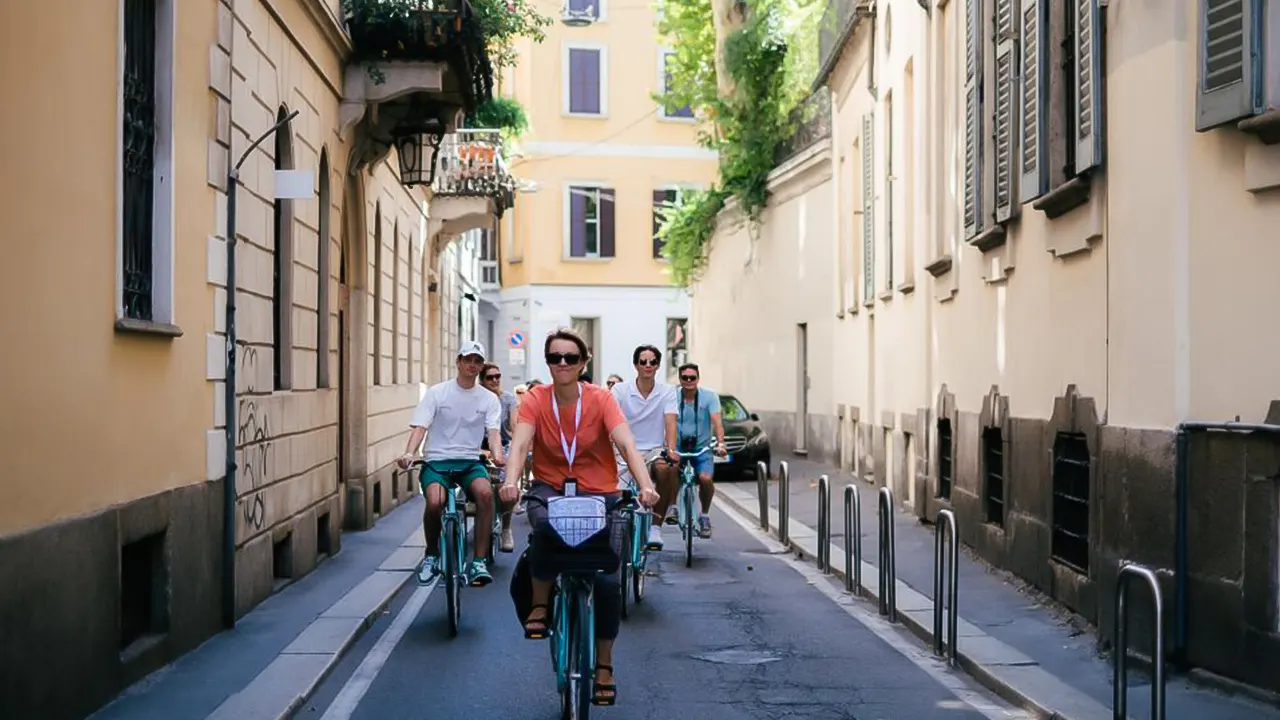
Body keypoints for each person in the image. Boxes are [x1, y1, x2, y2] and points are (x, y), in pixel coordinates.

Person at [500, 328, 660, 707]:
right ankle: (540, 604)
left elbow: (626, 443)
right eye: (555, 358)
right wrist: (510, 482)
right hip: (551, 488)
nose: (563, 364)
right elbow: (521, 443)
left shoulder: (601, 399)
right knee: (542, 528)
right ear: (548, 362)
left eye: (571, 358)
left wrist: (645, 484)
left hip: (598, 492)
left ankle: (604, 665)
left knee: (606, 583)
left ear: (584, 363)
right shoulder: (537, 399)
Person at [397, 341, 505, 587]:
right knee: (435, 502)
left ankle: (478, 561)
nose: (472, 365)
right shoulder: (438, 392)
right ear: (458, 361)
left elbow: (494, 432)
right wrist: (408, 453)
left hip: (469, 462)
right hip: (436, 461)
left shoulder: (488, 399)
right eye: (468, 359)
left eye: (477, 361)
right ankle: (432, 555)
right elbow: (420, 427)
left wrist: (498, 455)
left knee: (486, 494)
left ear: (481, 366)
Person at [610, 345, 678, 550]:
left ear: (657, 366)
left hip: (653, 450)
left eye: (652, 362)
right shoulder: (620, 390)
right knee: (614, 495)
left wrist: (671, 449)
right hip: (623, 449)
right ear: (636, 365)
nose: (648, 365)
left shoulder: (667, 391)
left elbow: (670, 421)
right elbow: (610, 420)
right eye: (643, 361)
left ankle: (656, 527)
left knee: (666, 469)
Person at [663, 362, 727, 539]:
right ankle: (672, 507)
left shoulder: (709, 396)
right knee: (672, 467)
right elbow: (667, 420)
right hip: (678, 445)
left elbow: (717, 422)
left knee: (705, 478)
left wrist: (720, 444)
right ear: (680, 379)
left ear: (698, 379)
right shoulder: (672, 396)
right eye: (685, 378)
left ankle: (704, 515)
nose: (689, 381)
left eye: (692, 378)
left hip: (702, 447)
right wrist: (669, 447)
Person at [480, 362, 518, 551]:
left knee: (506, 489)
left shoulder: (508, 399)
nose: (495, 380)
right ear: (481, 379)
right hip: (477, 449)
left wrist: (518, 446)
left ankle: (506, 528)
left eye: (498, 376)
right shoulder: (476, 398)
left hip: (502, 447)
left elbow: (514, 426)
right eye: (490, 377)